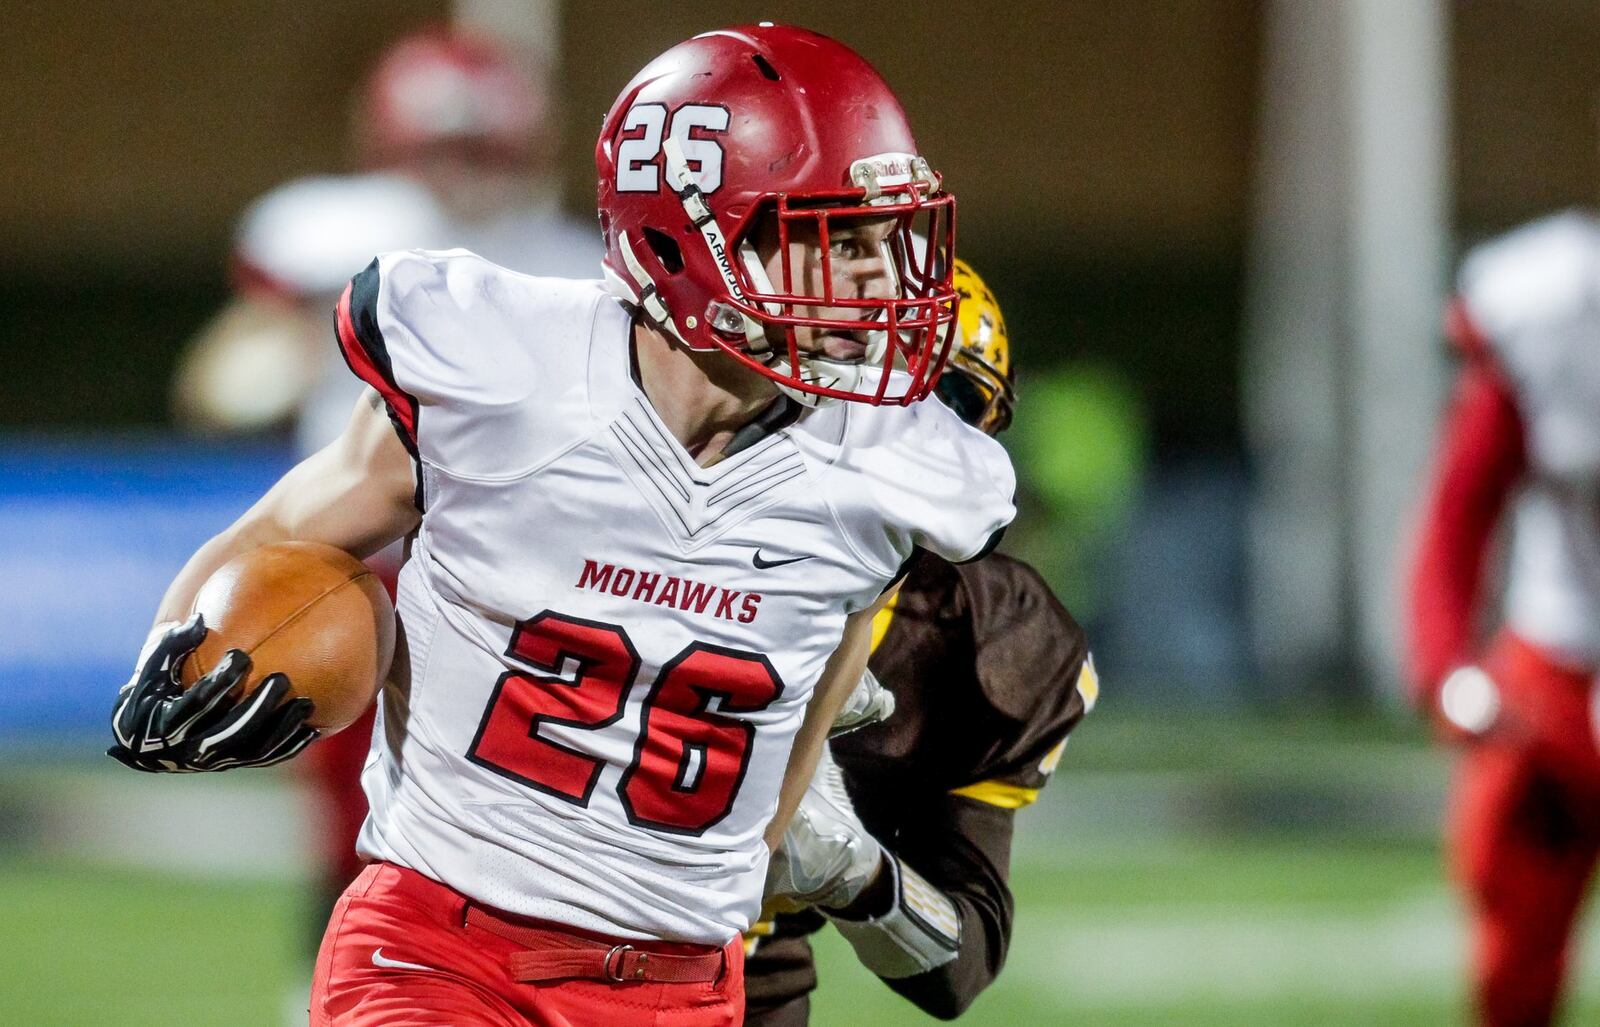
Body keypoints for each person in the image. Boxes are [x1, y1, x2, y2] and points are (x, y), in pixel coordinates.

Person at [108, 24, 1013, 1027]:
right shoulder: (500, 363)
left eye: (886, 237)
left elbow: (791, 761)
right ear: (690, 235)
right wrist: (187, 633)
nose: (882, 278)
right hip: (443, 948)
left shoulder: (897, 467)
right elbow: (285, 533)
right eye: (835, 236)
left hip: (682, 983)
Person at [743, 260, 1095, 1023]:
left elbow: (961, 967)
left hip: (742, 976)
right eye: (890, 379)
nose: (913, 424)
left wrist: (853, 867)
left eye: (950, 399)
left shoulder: (989, 640)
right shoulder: (660, 508)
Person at [1407, 210, 1600, 1027]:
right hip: (1564, 648)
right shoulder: (1556, 305)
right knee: (1513, 936)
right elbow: (1458, 514)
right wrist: (1449, 668)